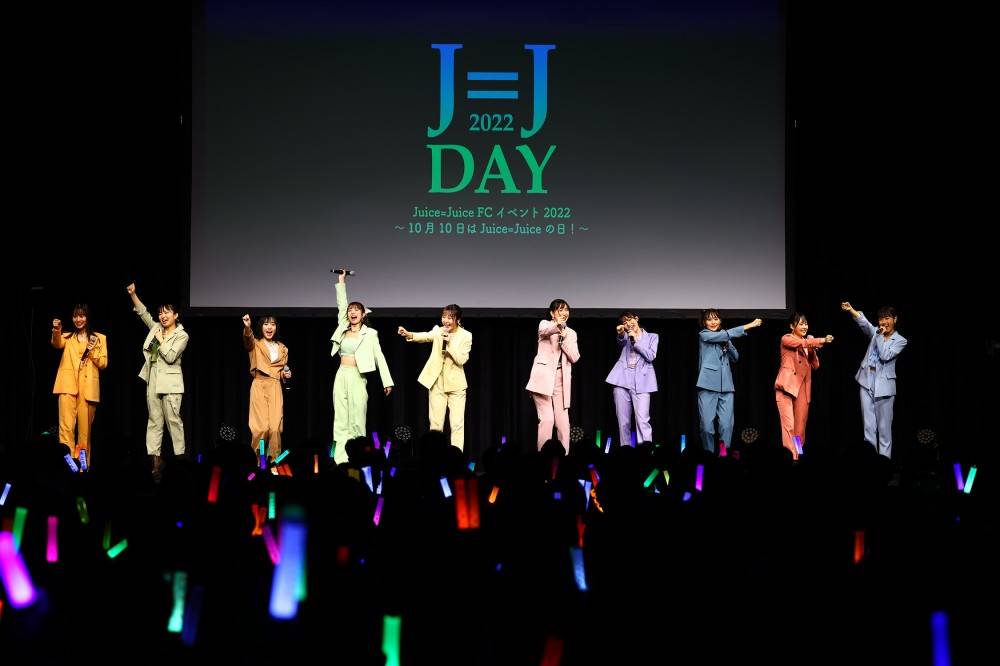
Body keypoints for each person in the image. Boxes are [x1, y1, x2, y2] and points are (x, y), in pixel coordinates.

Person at [329, 270, 393, 464]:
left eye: (357, 310)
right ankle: (340, 459)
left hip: (358, 376)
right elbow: (341, 304)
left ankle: (358, 458)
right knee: (340, 419)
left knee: (357, 419)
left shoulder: (370, 334)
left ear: (363, 314)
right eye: (351, 310)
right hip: (341, 375)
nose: (352, 312)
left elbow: (379, 357)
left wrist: (387, 381)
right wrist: (341, 281)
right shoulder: (342, 327)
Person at [127, 283, 189, 477]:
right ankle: (155, 461)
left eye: (167, 312)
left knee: (174, 421)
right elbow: (143, 313)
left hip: (170, 383)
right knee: (154, 421)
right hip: (153, 378)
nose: (162, 316)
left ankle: (180, 460)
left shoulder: (182, 335)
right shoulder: (156, 327)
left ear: (175, 315)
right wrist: (133, 294)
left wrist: (161, 340)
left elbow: (170, 357)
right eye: (160, 313)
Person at [397, 305, 472, 451]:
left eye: (450, 318)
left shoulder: (466, 335)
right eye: (444, 317)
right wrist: (409, 334)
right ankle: (435, 456)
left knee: (457, 424)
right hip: (437, 382)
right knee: (436, 424)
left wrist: (449, 344)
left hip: (456, 385)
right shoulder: (438, 331)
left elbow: (462, 360)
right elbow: (425, 336)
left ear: (458, 319)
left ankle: (456, 457)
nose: (446, 320)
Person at [841, 301, 907, 459]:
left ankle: (885, 464)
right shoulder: (876, 332)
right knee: (869, 427)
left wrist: (879, 335)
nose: (883, 322)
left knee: (884, 429)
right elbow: (864, 323)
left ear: (895, 319)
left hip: (884, 386)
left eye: (887, 318)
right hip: (866, 381)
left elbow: (885, 355)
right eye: (881, 319)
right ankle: (870, 462)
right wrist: (851, 310)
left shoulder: (900, 340)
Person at [696, 309, 762, 453]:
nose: (713, 322)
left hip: (726, 386)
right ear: (704, 322)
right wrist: (748, 326)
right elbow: (725, 334)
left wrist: (728, 346)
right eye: (709, 319)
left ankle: (724, 454)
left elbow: (735, 357)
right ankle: (708, 454)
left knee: (726, 425)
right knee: (706, 427)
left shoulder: (725, 337)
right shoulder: (704, 335)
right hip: (707, 385)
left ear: (720, 320)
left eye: (716, 319)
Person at [50, 304, 108, 465]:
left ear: (87, 318)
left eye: (81, 316)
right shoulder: (67, 337)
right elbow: (56, 343)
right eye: (75, 316)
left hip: (87, 389)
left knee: (84, 433)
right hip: (67, 386)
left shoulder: (99, 338)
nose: (78, 319)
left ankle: (82, 468)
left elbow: (103, 363)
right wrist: (57, 330)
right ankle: (68, 467)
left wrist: (92, 351)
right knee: (65, 430)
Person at [774, 312, 832, 460]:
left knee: (799, 429)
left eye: (806, 324)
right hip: (786, 387)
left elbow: (816, 365)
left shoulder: (808, 343)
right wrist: (819, 340)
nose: (805, 326)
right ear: (792, 326)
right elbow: (800, 343)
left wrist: (812, 348)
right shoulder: (786, 338)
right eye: (801, 324)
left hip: (802, 389)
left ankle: (798, 456)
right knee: (789, 426)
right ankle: (791, 458)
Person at [526, 299, 581, 454]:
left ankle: (565, 457)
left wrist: (564, 341)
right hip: (542, 378)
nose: (564, 313)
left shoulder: (571, 333)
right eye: (560, 310)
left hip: (561, 380)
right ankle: (543, 457)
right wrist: (558, 326)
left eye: (566, 310)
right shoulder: (545, 324)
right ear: (552, 313)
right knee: (547, 420)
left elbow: (575, 357)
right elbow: (545, 331)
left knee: (563, 424)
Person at [605, 311, 659, 447]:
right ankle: (625, 451)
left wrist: (635, 340)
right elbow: (621, 340)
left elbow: (651, 356)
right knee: (623, 422)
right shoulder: (625, 337)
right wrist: (621, 334)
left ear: (636, 318)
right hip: (622, 381)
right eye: (624, 322)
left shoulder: (652, 337)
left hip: (643, 382)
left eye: (630, 319)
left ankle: (645, 451)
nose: (628, 323)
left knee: (642, 420)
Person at [243, 313, 292, 461]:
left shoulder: (282, 348)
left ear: (276, 327)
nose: (269, 327)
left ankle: (274, 462)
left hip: (275, 386)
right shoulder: (255, 344)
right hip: (259, 385)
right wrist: (248, 328)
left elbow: (282, 370)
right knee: (261, 428)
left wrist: (285, 374)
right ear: (261, 327)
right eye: (266, 324)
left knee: (275, 428)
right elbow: (248, 339)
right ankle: (259, 461)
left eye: (272, 324)